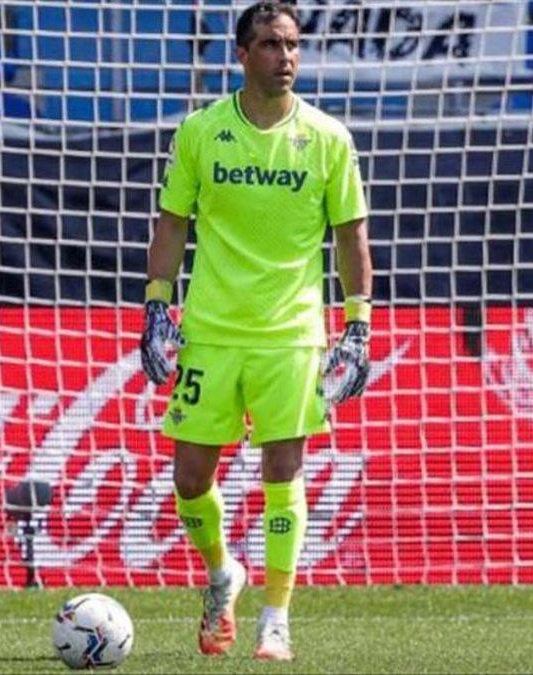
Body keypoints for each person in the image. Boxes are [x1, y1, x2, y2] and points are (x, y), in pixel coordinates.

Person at [139, 0, 372, 663]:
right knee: (189, 477)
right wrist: (158, 306)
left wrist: (358, 326)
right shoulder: (201, 133)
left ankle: (276, 614)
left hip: (293, 334)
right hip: (211, 331)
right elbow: (173, 223)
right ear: (241, 55)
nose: (287, 56)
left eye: (293, 44)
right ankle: (222, 574)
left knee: (283, 467)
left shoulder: (329, 138)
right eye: (271, 44)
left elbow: (352, 234)